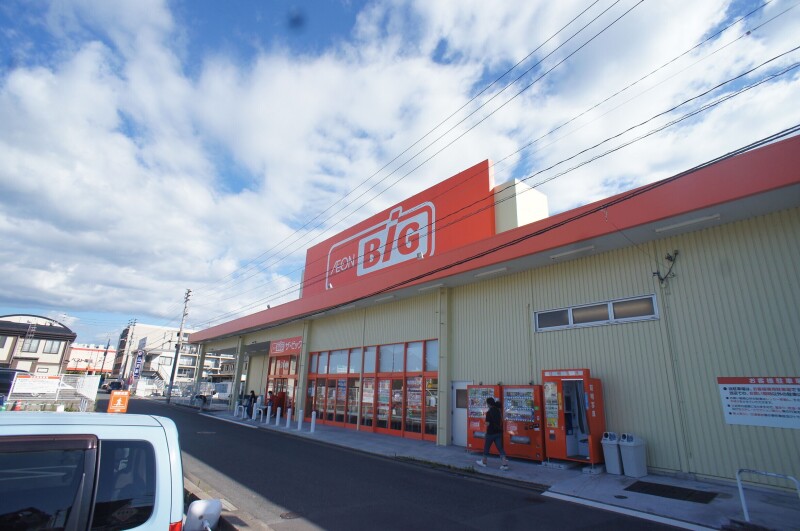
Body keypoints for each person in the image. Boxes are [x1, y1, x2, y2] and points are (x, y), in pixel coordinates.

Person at [476, 397, 509, 470]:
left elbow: (487, 423)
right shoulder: (498, 410)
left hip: (490, 433)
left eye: (487, 403)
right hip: (498, 432)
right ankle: (504, 464)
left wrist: (484, 422)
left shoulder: (489, 412)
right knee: (500, 448)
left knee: (486, 448)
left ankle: (484, 462)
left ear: (488, 404)